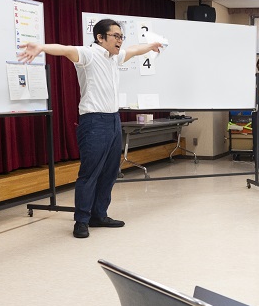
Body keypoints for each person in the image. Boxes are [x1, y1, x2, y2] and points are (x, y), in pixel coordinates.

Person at [17, 19, 163, 239]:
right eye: (116, 36)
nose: (120, 41)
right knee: (90, 173)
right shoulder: (88, 54)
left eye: (121, 36)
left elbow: (133, 50)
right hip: (94, 122)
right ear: (100, 38)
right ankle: (81, 221)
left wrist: (150, 47)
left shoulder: (115, 57)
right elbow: (65, 50)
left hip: (114, 120)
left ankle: (99, 215)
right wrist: (41, 47)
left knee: (110, 172)